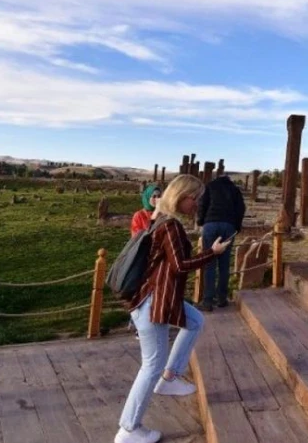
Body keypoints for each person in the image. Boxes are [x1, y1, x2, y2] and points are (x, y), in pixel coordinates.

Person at [115, 175, 231, 443]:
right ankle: (129, 429)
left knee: (196, 321)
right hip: (155, 302)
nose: (198, 205)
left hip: (159, 297)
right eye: (195, 198)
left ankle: (170, 377)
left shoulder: (159, 219)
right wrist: (212, 252)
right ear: (182, 196)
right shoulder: (171, 227)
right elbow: (180, 266)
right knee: (151, 365)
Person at [196, 174, 245, 312]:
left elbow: (202, 204)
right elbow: (241, 208)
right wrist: (237, 226)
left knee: (209, 263)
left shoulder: (210, 187)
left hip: (210, 224)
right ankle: (222, 299)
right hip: (228, 226)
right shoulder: (234, 189)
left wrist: (201, 221)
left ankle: (207, 301)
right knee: (224, 265)